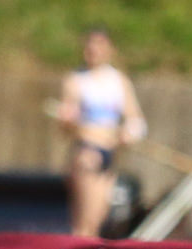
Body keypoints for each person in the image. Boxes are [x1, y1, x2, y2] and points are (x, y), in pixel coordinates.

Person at [55, 27, 145, 238]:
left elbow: (136, 120)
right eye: (90, 44)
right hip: (87, 151)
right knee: (84, 224)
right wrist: (67, 120)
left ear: (110, 49)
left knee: (96, 224)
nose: (93, 49)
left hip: (110, 154)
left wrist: (129, 133)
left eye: (99, 44)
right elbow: (65, 127)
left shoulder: (119, 81)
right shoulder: (76, 80)